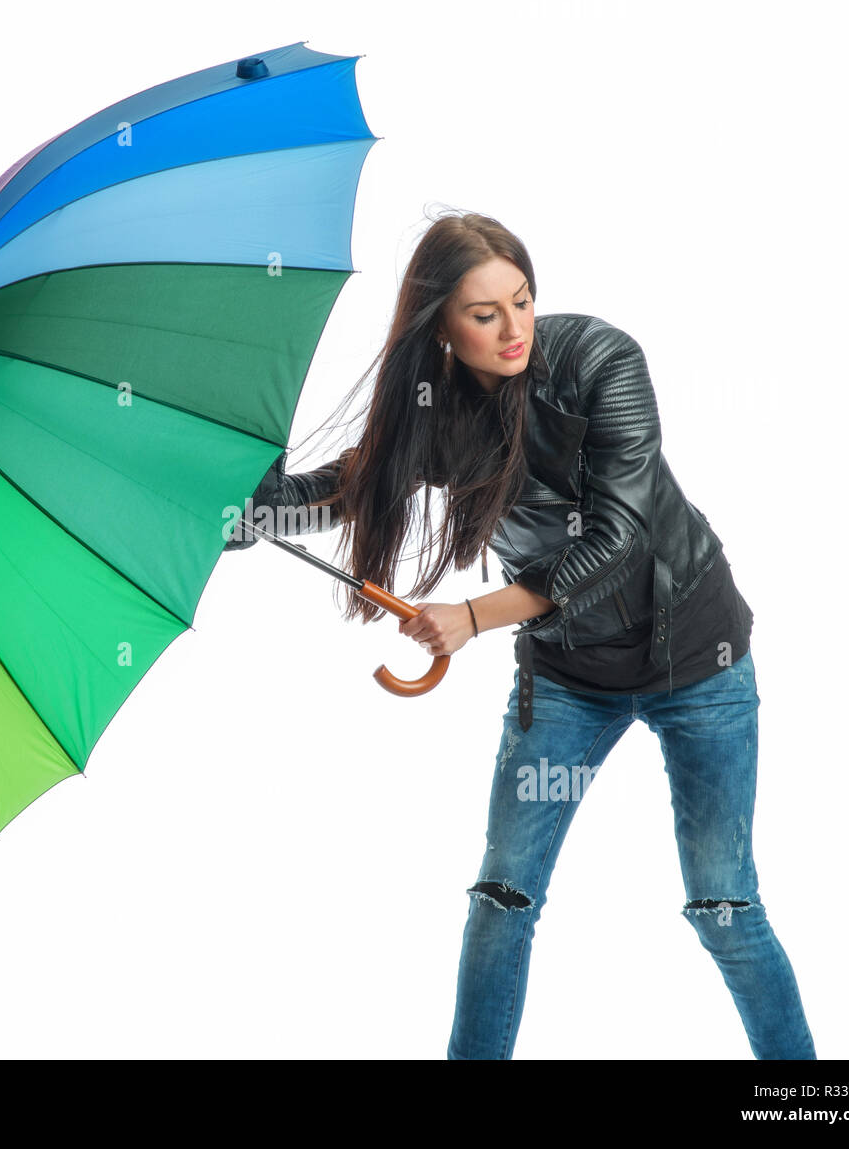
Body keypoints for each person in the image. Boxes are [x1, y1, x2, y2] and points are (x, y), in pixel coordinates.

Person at [225, 209, 815, 1060]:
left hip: (698, 662)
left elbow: (616, 538)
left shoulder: (601, 360)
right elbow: (353, 487)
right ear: (440, 329)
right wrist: (252, 507)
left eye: (522, 300)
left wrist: (470, 616)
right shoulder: (435, 410)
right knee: (503, 897)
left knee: (724, 908)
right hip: (569, 678)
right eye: (483, 313)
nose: (513, 330)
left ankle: (808, 1098)